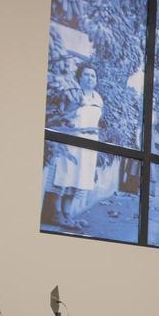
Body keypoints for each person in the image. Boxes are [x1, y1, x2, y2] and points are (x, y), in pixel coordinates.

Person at [51, 63, 104, 229]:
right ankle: (56, 214)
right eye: (86, 75)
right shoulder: (72, 94)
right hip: (71, 142)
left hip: (89, 144)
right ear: (79, 77)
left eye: (93, 75)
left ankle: (68, 214)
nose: (90, 78)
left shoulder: (98, 98)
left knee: (79, 178)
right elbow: (62, 117)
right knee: (65, 175)